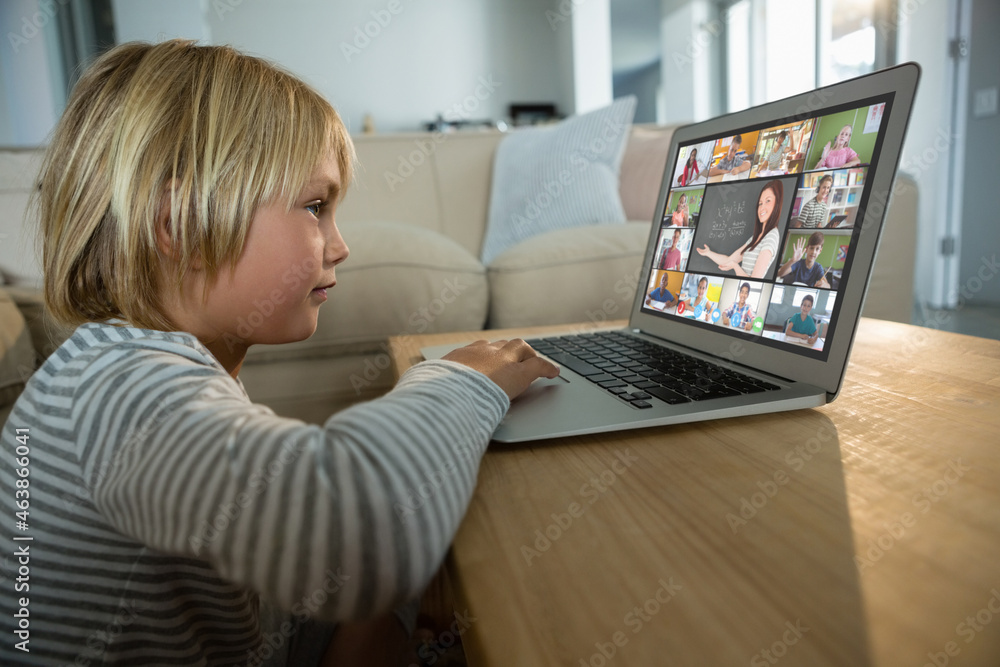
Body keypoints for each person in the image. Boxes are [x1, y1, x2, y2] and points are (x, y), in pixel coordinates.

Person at [0, 40, 559, 667]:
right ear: (180, 222)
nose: (339, 244)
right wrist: (459, 381)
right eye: (316, 206)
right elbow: (362, 537)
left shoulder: (128, 363)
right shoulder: (121, 387)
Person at [695, 180, 784, 279]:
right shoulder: (755, 238)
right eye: (760, 203)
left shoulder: (772, 236)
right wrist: (708, 253)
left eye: (768, 201)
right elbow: (728, 260)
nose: (762, 207)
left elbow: (755, 279)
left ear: (777, 203)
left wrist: (735, 266)